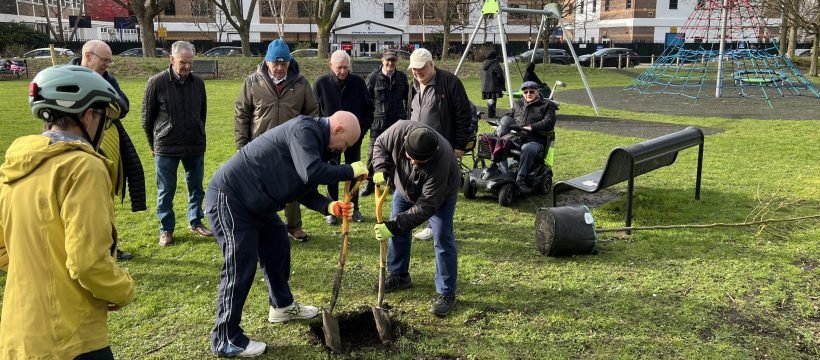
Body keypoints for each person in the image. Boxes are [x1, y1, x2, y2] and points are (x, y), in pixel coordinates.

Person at [0, 65, 136, 359]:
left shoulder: (13, 165)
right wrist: (122, 289)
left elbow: (3, 248)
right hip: (71, 337)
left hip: (18, 334)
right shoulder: (83, 167)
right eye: (103, 117)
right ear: (88, 115)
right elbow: (87, 263)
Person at [207, 111, 368, 357]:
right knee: (240, 265)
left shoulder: (318, 143)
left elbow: (303, 186)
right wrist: (350, 170)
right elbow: (311, 172)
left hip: (258, 204)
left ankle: (281, 306)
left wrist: (329, 206)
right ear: (337, 130)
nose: (341, 150)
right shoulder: (305, 130)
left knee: (277, 245)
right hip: (231, 199)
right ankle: (226, 337)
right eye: (344, 144)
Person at [371, 121, 461, 317]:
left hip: (440, 194)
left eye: (420, 162)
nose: (413, 163)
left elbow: (426, 206)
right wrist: (379, 167)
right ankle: (399, 275)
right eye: (411, 158)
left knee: (442, 237)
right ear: (405, 144)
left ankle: (446, 293)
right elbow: (379, 144)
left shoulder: (442, 159)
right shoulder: (398, 131)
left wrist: (394, 225)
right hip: (404, 187)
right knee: (399, 228)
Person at [235, 39, 320, 242]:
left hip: (292, 147)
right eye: (276, 64)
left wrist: (308, 141)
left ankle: (294, 226)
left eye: (284, 63)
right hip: (260, 145)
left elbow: (313, 113)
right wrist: (241, 143)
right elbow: (242, 114)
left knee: (292, 186)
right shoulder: (252, 82)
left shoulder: (301, 83)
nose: (280, 68)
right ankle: (261, 224)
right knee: (260, 188)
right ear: (267, 62)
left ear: (289, 63)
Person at [71, 39, 146, 261]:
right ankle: (87, 250)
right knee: (82, 203)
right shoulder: (67, 76)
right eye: (104, 60)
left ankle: (110, 247)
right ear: (88, 56)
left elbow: (122, 105)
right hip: (76, 151)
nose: (108, 65)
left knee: (105, 202)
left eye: (109, 60)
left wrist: (103, 100)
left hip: (107, 147)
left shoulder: (107, 79)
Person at [142, 40, 211, 246]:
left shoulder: (198, 83)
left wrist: (198, 131)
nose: (187, 67)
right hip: (166, 146)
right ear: (171, 59)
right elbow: (147, 118)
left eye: (191, 62)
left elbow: (202, 113)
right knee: (166, 190)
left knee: (196, 187)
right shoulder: (156, 82)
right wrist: (153, 145)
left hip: (194, 145)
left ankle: (196, 221)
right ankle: (166, 229)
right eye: (183, 62)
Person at [406, 48, 471, 241]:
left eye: (421, 68)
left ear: (431, 64)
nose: (417, 72)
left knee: (441, 189)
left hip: (443, 148)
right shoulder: (413, 85)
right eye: (414, 69)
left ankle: (439, 227)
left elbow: (463, 115)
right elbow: (409, 112)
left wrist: (459, 145)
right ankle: (430, 223)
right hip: (419, 148)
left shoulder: (450, 83)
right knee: (423, 187)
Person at [313, 50, 374, 224]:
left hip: (353, 139)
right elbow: (314, 112)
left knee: (354, 172)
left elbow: (369, 109)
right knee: (331, 171)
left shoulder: (358, 83)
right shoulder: (321, 84)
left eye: (346, 68)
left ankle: (354, 208)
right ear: (331, 66)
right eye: (339, 68)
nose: (342, 71)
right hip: (330, 140)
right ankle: (332, 209)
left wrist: (360, 131)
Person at [360, 49, 410, 197]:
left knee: (396, 154)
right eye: (387, 60)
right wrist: (369, 118)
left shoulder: (401, 77)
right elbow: (365, 100)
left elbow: (407, 98)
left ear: (396, 61)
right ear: (382, 61)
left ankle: (392, 183)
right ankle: (368, 183)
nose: (390, 63)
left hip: (397, 122)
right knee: (372, 154)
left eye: (393, 60)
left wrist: (406, 117)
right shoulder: (373, 77)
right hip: (378, 122)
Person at [495, 81, 557, 193]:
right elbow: (509, 116)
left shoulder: (547, 105)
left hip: (536, 139)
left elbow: (549, 122)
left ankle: (520, 179)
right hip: (517, 137)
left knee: (528, 148)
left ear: (537, 91)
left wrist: (532, 127)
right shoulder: (517, 104)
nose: (528, 94)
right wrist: (500, 122)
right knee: (497, 142)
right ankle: (502, 173)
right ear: (522, 93)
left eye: (532, 91)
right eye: (525, 92)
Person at [480, 50, 504, 118]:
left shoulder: (484, 63)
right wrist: (502, 84)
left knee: (490, 100)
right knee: (493, 100)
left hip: (485, 85)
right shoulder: (495, 64)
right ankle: (491, 114)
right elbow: (500, 75)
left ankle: (490, 114)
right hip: (494, 85)